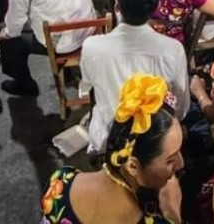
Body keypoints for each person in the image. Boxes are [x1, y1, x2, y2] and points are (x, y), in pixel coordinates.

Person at [41, 74, 183, 224]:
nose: (181, 163)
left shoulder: (60, 182)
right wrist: (173, 214)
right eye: (170, 160)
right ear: (133, 165)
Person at [80, 0, 189, 154]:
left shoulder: (92, 47)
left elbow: (87, 86)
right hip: (153, 146)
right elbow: (182, 107)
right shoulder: (172, 50)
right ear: (155, 8)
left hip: (108, 141)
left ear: (117, 7)